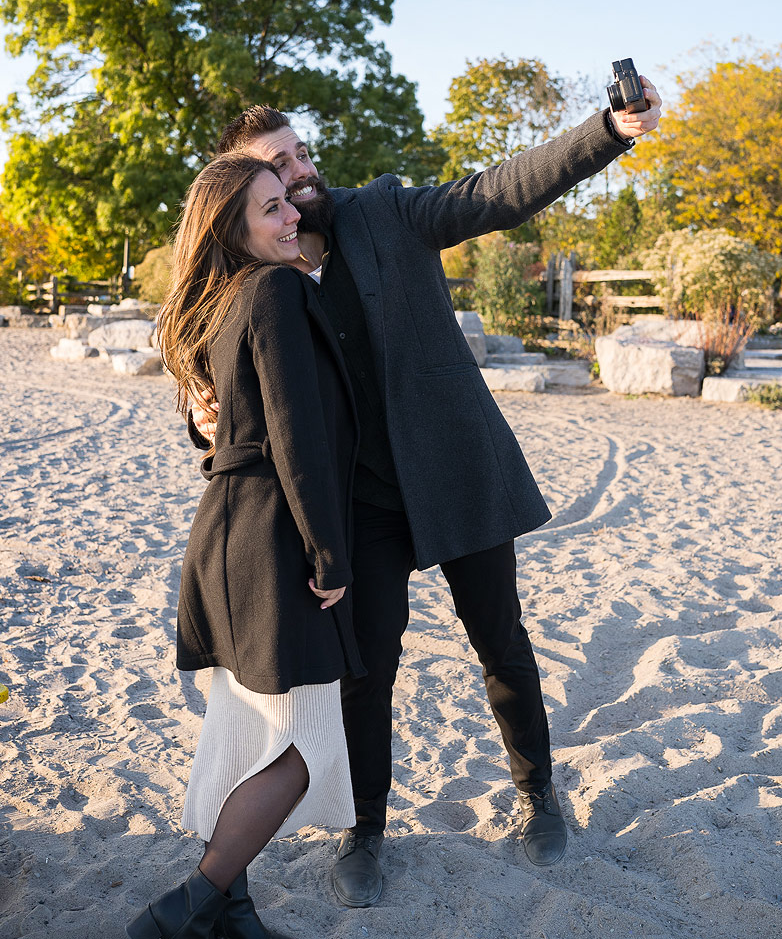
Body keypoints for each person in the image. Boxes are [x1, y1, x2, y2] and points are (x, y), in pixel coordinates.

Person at [190, 82, 662, 907]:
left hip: (454, 472)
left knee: (502, 644)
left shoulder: (385, 213)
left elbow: (499, 192)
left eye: (302, 153)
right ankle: (363, 830)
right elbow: (221, 383)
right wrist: (201, 422)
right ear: (245, 190)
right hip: (356, 507)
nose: (301, 171)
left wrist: (606, 131)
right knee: (366, 675)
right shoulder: (255, 270)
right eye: (278, 165)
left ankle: (538, 797)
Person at [127, 154, 365, 939]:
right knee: (305, 744)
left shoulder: (224, 299)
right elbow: (296, 434)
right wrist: (327, 554)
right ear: (233, 229)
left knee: (245, 730)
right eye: (270, 209)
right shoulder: (276, 288)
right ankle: (188, 905)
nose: (290, 214)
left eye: (286, 202)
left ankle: (230, 908)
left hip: (228, 534)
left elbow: (227, 425)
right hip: (273, 542)